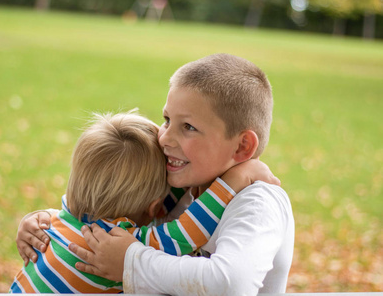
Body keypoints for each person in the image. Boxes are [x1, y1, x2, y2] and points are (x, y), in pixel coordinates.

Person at [67, 53, 295, 295]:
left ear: (242, 146)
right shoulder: (183, 187)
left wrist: (132, 261)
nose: (165, 138)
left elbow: (229, 284)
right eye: (167, 120)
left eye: (188, 127)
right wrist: (45, 221)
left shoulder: (258, 203)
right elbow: (102, 202)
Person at [10, 110, 280, 293]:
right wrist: (234, 179)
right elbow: (186, 231)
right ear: (153, 208)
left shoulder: (57, 219)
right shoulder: (114, 240)